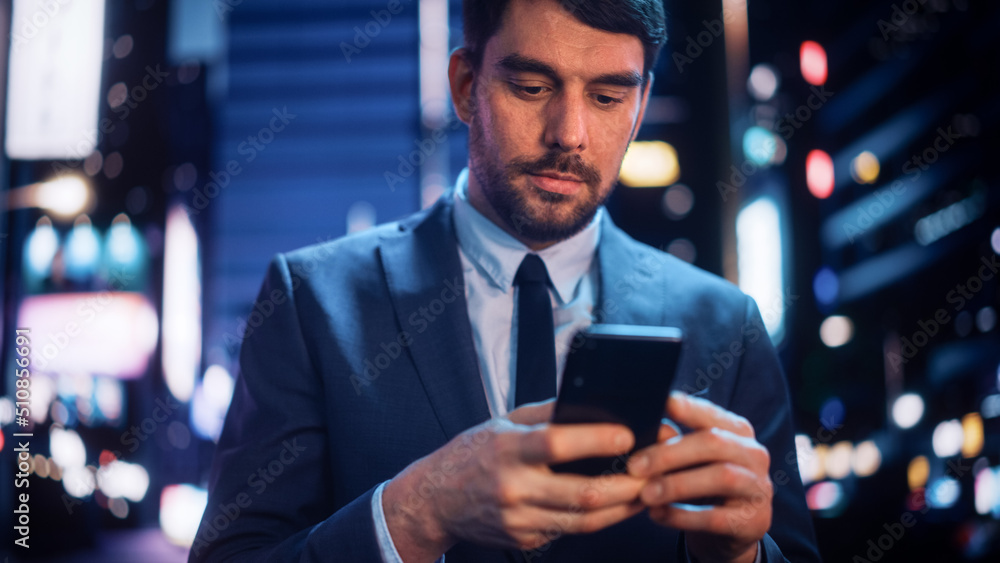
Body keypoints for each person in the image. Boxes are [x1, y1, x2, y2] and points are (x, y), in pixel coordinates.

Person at [191, 0, 820, 561]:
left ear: (640, 106)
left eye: (607, 97)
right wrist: (416, 513)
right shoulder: (313, 303)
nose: (569, 135)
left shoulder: (727, 325)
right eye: (530, 86)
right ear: (466, 85)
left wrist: (739, 556)